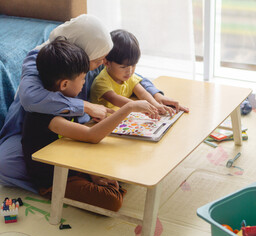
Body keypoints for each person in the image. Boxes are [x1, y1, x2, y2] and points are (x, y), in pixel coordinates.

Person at [0, 14, 189, 192]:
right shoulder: (39, 58)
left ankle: (79, 172)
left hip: (77, 124)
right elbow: (31, 97)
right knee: (6, 165)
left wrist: (155, 94)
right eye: (99, 60)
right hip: (34, 129)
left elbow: (122, 72)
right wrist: (86, 107)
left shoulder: (95, 54)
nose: (102, 63)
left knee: (115, 144)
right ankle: (67, 179)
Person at [23, 37, 159, 211]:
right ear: (65, 83)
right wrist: (129, 107)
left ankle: (98, 175)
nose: (84, 83)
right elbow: (91, 136)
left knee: (128, 157)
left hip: (74, 161)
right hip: (56, 177)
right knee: (112, 201)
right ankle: (59, 189)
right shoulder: (47, 116)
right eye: (82, 78)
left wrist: (91, 172)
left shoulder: (67, 101)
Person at [91, 29, 177, 116]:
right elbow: (114, 99)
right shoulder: (101, 82)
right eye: (123, 67)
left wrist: (156, 105)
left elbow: (143, 93)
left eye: (133, 65)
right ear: (106, 63)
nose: (130, 71)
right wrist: (139, 106)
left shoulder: (129, 77)